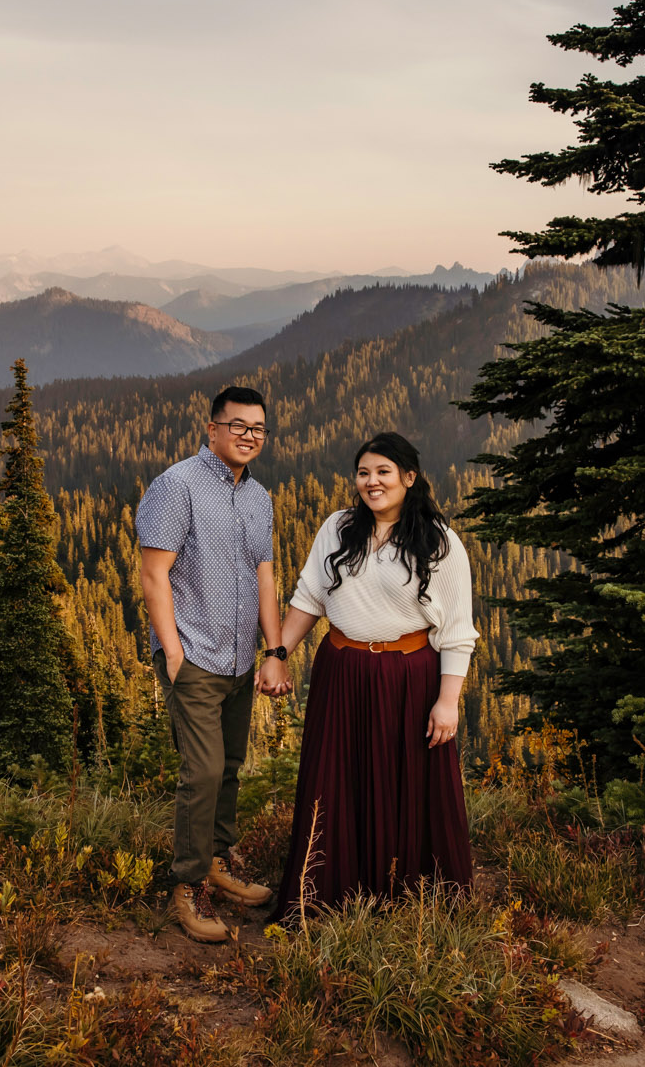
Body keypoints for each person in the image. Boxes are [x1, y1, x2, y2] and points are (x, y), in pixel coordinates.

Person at [261, 431, 476, 921]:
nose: (371, 482)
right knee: (334, 781)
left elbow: (457, 631)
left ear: (409, 478)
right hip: (340, 670)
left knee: (405, 784)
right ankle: (325, 895)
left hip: (408, 677)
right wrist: (277, 654)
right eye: (363, 473)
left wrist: (448, 701)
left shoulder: (439, 541)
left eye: (383, 472)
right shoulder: (338, 528)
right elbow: (309, 598)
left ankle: (403, 900)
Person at [136, 384, 285, 943]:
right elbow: (154, 575)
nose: (249, 436)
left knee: (228, 767)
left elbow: (265, 578)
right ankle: (187, 887)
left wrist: (274, 651)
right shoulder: (177, 486)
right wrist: (173, 654)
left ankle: (218, 865)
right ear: (212, 428)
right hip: (194, 654)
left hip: (241, 657)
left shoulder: (258, 497)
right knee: (200, 773)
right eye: (238, 426)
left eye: (258, 429)